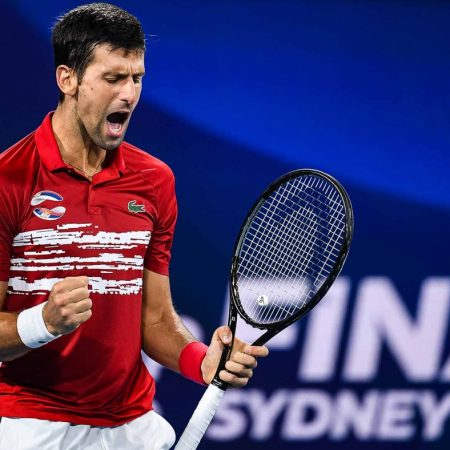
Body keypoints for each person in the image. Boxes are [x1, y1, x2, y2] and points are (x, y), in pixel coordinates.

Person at [0, 3, 268, 449]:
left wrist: (202, 361)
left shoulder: (154, 181)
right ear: (67, 79)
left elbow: (155, 317)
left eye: (137, 78)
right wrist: (42, 322)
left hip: (133, 426)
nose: (129, 94)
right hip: (34, 426)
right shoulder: (9, 180)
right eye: (112, 78)